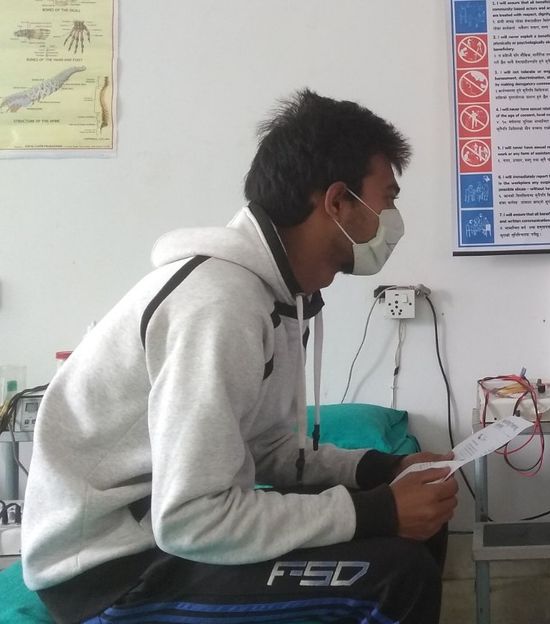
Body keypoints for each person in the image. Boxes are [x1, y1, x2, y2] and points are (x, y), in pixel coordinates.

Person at [22, 90, 459, 624]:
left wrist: (381, 469)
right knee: (400, 573)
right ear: (338, 202)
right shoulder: (219, 305)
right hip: (111, 569)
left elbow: (267, 447)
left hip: (161, 540)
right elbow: (192, 519)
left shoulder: (274, 296)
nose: (392, 219)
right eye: (386, 199)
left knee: (421, 536)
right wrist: (376, 511)